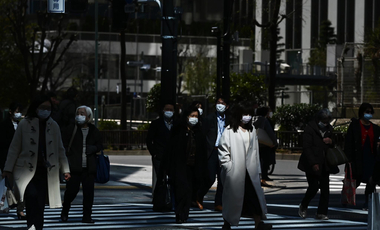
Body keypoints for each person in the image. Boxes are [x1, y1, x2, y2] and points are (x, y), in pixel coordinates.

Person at [2, 94, 71, 230]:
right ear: (36, 108)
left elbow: (60, 150)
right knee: (31, 196)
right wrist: (7, 169)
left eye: (48, 108)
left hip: (45, 171)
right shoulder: (24, 124)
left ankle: (36, 227)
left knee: (40, 203)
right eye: (43, 107)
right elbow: (14, 148)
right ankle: (31, 225)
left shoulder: (54, 126)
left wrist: (66, 170)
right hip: (24, 170)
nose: (46, 110)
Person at [219, 101, 271, 230]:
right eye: (244, 114)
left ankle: (258, 223)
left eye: (249, 114)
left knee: (254, 197)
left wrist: (258, 170)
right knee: (232, 198)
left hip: (250, 171)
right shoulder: (230, 130)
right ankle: (227, 222)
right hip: (235, 171)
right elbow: (223, 149)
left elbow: (255, 151)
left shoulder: (251, 129)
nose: (247, 117)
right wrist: (228, 166)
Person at [61, 105, 103, 223]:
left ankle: (87, 216)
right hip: (74, 167)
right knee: (71, 192)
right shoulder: (71, 129)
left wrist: (94, 148)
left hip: (89, 168)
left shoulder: (94, 130)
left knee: (88, 194)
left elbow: (100, 145)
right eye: (78, 113)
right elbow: (63, 145)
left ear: (89, 117)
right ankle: (65, 210)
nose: (79, 116)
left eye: (82, 114)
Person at [298, 108, 338, 220]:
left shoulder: (329, 129)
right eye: (323, 120)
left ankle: (322, 212)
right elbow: (307, 147)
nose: (325, 123)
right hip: (311, 162)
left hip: (325, 162)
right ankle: (304, 205)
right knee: (314, 186)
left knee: (325, 189)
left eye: (327, 121)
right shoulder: (310, 128)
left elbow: (334, 143)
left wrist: (331, 142)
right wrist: (313, 163)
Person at [169, 106, 207, 223]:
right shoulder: (178, 131)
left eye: (196, 116)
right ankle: (179, 213)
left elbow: (202, 152)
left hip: (193, 167)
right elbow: (171, 150)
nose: (194, 119)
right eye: (192, 116)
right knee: (181, 190)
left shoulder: (199, 133)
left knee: (189, 192)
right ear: (186, 117)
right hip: (180, 166)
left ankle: (184, 213)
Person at [344, 103, 380, 210]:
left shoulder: (375, 128)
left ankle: (367, 202)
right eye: (366, 112)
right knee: (356, 180)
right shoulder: (355, 126)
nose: (369, 114)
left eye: (370, 112)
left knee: (371, 181)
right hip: (358, 158)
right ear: (361, 113)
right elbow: (348, 143)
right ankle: (346, 197)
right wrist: (348, 159)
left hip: (371, 157)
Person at [198, 97, 229, 212]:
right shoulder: (209, 118)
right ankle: (199, 196)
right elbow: (203, 135)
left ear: (227, 106)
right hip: (212, 151)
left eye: (222, 103)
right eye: (218, 103)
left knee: (222, 179)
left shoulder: (229, 120)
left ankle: (218, 203)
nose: (219, 105)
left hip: (224, 151)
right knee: (210, 177)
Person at [146, 103, 176, 205]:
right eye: (167, 109)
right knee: (161, 179)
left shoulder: (177, 124)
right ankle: (159, 201)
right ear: (163, 110)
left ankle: (171, 201)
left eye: (171, 109)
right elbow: (149, 140)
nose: (169, 111)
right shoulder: (156, 123)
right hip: (159, 156)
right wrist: (154, 153)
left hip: (173, 156)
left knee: (173, 179)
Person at [0, 102, 25, 219]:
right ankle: (7, 204)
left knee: (21, 186)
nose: (19, 114)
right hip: (8, 159)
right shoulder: (4, 126)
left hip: (21, 160)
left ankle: (20, 209)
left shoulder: (22, 125)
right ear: (10, 112)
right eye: (17, 111)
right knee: (8, 186)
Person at [253, 107, 277, 185]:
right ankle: (263, 177)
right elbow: (270, 132)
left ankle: (257, 177)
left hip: (255, 142)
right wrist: (274, 142)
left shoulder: (253, 119)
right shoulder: (264, 120)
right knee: (265, 161)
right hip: (264, 143)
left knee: (257, 161)